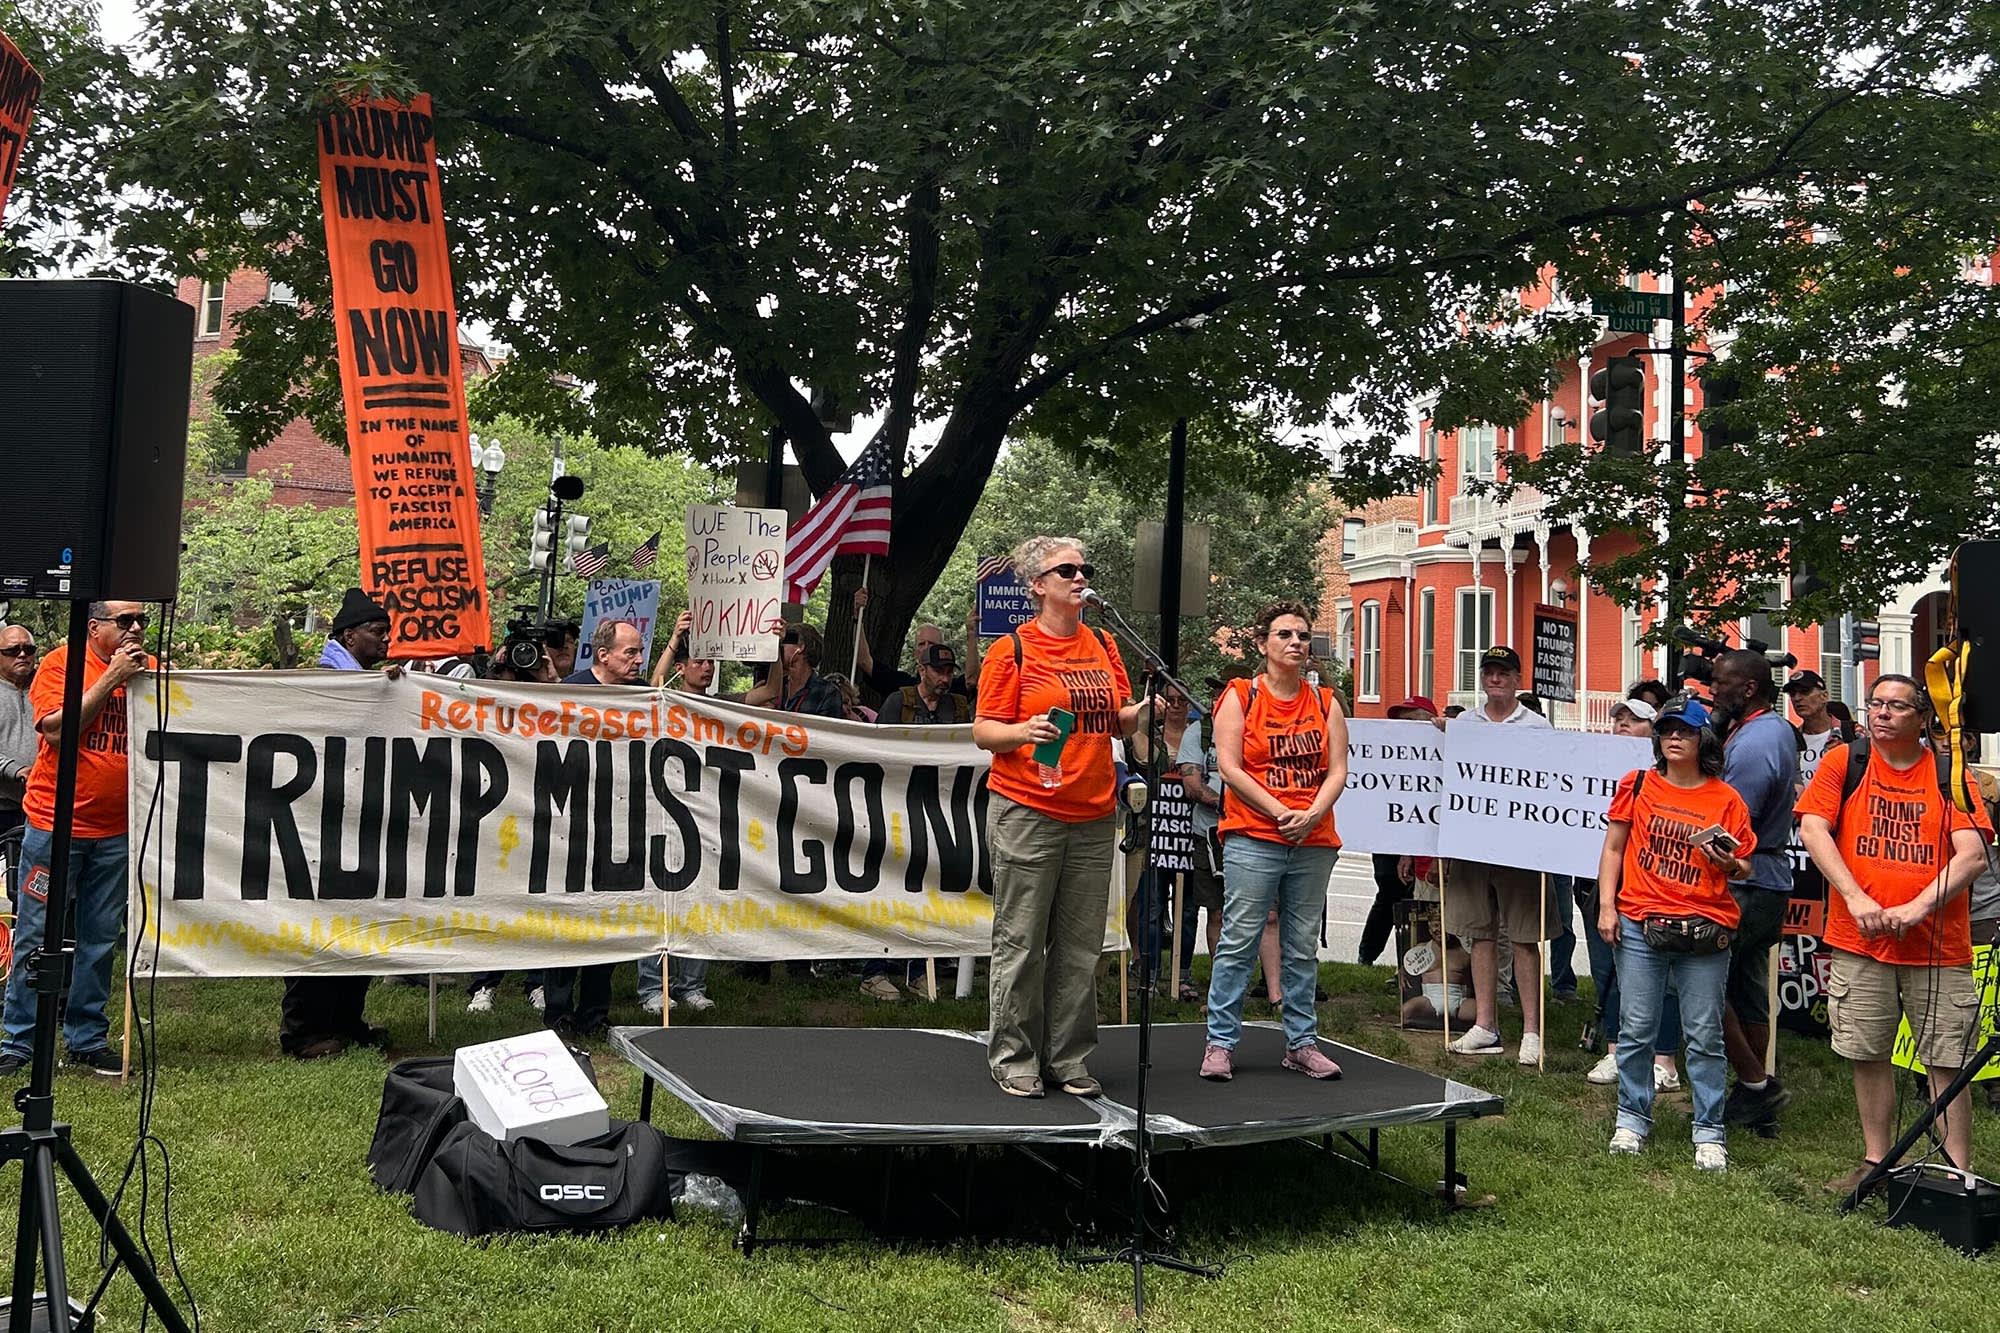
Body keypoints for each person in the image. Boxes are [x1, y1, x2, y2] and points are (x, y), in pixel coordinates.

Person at [1798, 675, 1993, 1193]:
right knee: (1867, 1050)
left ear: (1922, 718)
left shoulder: (1950, 773)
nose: (1882, 714)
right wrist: (1856, 898)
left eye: (1896, 706)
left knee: (1946, 1059)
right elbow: (1813, 828)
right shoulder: (1846, 762)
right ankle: (1875, 1161)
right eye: (1876, 704)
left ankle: (1955, 1172)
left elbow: (1972, 853)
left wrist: (1917, 906)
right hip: (1859, 940)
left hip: (1936, 948)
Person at [974, 536, 1143, 1099]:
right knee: (1021, 940)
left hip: (1094, 812)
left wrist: (1144, 710)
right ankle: (1014, 1055)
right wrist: (1023, 732)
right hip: (1028, 809)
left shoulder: (1103, 642)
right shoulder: (1012, 650)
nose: (1079, 577)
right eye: (1065, 569)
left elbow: (1120, 721)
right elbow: (984, 731)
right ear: (1037, 586)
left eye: (1083, 568)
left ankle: (1067, 1056)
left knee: (1079, 944)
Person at [1596, 695, 1755, 1171]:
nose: (1674, 738)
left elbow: (1746, 863)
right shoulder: (1638, 784)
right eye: (1667, 731)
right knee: (1636, 1027)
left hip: (1706, 926)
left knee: (1704, 1033)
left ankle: (1709, 1131)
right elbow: (1613, 850)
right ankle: (1631, 1118)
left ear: (1701, 739)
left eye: (1684, 731)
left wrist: (1729, 861)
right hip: (1642, 920)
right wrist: (1608, 907)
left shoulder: (1725, 799)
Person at [0, 602, 156, 1078]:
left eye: (141, 621)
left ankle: (87, 1037)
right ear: (94, 627)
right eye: (124, 621)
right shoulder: (61, 663)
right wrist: (111, 677)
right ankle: (18, 1040)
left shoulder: (150, 672)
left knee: (100, 938)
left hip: (116, 831)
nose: (135, 629)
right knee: (36, 933)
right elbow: (56, 730)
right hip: (55, 827)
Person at [1199, 599, 1349, 1082]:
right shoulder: (1240, 695)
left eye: (1303, 636)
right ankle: (1220, 1042)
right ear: (1263, 644)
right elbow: (1229, 767)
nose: (1296, 644)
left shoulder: (1326, 702)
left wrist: (1311, 813)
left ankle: (1301, 1043)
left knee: (1301, 945)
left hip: (1314, 837)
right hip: (1254, 835)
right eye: (1284, 635)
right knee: (1240, 938)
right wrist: (1280, 810)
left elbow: (1338, 770)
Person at [277, 590, 400, 1058]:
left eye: (387, 632)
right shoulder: (327, 680)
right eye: (376, 632)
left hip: (357, 821)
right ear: (349, 636)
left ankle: (348, 1020)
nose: (385, 640)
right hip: (320, 824)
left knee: (357, 923)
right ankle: (303, 1030)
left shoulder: (366, 681)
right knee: (318, 925)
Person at [1444, 646, 1559, 1063]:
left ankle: (1532, 1031)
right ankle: (1485, 1024)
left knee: (1525, 936)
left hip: (1520, 846)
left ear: (1517, 677)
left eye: (1503, 672)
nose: (1495, 679)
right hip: (1472, 844)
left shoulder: (1537, 726)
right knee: (1480, 933)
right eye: (1489, 672)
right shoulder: (1464, 723)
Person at [1704, 649, 1801, 1135]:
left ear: (1748, 689)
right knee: (1745, 988)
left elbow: (1734, 821)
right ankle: (1755, 1097)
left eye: (1721, 682)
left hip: (1748, 880)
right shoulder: (1767, 730)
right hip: (1765, 879)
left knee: (1696, 975)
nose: (1712, 689)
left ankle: (1757, 1084)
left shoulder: (1759, 741)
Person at [540, 619, 648, 1039]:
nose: (638, 659)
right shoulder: (571, 691)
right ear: (603, 656)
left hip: (621, 824)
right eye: (630, 652)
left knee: (609, 921)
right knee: (568, 922)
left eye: (640, 652)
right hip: (571, 825)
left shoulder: (643, 698)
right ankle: (558, 1012)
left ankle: (595, 1014)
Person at [636, 612, 721, 1015]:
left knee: (697, 902)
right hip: (661, 813)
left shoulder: (722, 709)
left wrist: (770, 651)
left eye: (711, 662)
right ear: (683, 668)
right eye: (699, 661)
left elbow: (767, 694)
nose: (706, 668)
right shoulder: (665, 703)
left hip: (702, 817)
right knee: (657, 903)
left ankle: (692, 984)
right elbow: (651, 686)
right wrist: (674, 639)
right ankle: (653, 986)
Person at [1359, 695, 1438, 966]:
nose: (1404, 727)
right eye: (1401, 722)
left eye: (1412, 721)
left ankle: (1412, 968)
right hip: (1389, 841)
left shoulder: (1440, 759)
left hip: (1426, 846)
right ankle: (1367, 957)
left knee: (1421, 908)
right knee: (1389, 896)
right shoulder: (1388, 758)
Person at [1174, 691, 1230, 1000]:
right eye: (1216, 695)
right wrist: (1226, 805)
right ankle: (1221, 987)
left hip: (1252, 832)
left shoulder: (1255, 727)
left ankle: (1270, 985)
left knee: (1268, 916)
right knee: (1217, 912)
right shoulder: (1199, 733)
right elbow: (1192, 785)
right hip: (1208, 833)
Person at [852, 588, 974, 700]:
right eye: (921, 644)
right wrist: (858, 615)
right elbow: (864, 661)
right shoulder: (900, 685)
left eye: (931, 643)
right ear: (915, 653)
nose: (926, 648)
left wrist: (972, 634)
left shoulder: (949, 687)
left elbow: (971, 680)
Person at [744, 623, 846, 719]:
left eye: (784, 641)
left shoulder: (827, 693)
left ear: (800, 647)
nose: (778, 647)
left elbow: (827, 734)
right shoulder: (774, 686)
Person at [0, 625, 38, 839]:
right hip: (3, 804)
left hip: (43, 804)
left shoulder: (49, 684)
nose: (22, 654)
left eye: (29, 649)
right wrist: (15, 769)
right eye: (12, 650)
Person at [1784, 669, 1850, 789]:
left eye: (1805, 692)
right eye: (1792, 694)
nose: (1797, 698)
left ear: (1824, 696)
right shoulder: (1790, 740)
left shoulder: (1852, 733)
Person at [877, 643, 968, 724]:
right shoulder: (899, 701)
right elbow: (881, 739)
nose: (945, 679)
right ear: (922, 671)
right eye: (938, 671)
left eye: (949, 672)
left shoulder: (958, 707)